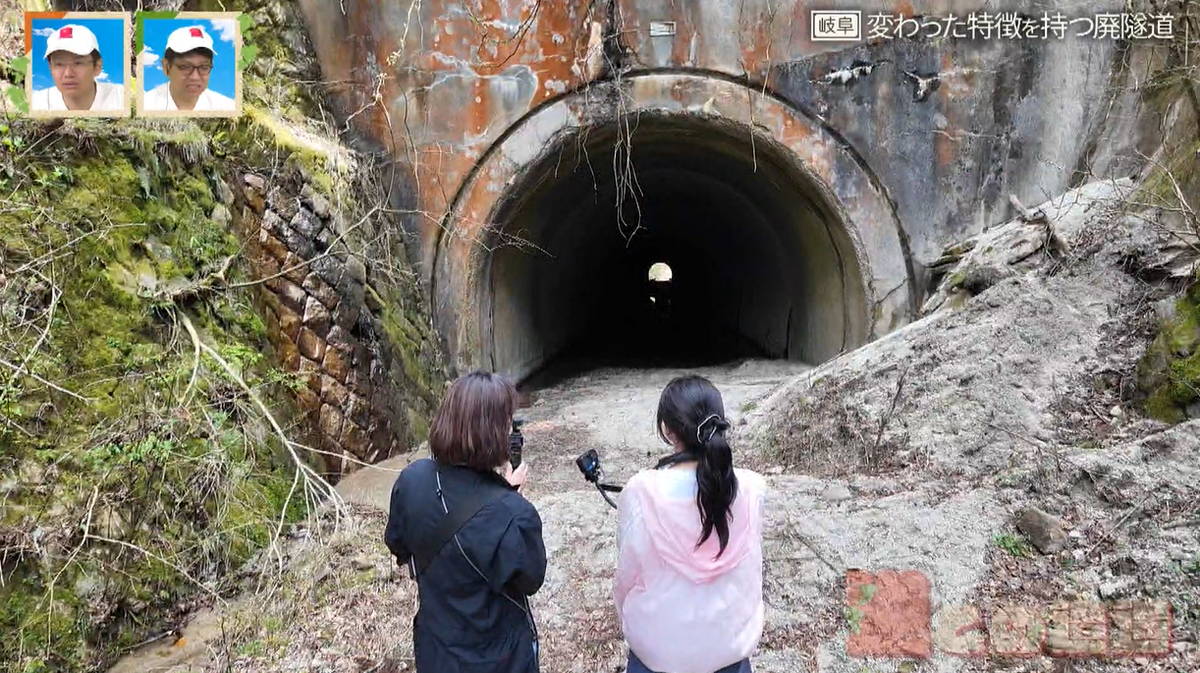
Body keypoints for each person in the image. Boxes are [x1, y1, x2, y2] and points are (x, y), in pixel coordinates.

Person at [384, 371, 545, 673]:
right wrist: (511, 498)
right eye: (508, 422)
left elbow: (399, 545)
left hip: (437, 650)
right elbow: (529, 578)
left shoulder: (411, 480)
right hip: (499, 658)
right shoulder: (513, 514)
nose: (512, 430)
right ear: (494, 433)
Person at [615, 375, 766, 673]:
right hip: (729, 649)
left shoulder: (641, 491)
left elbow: (626, 578)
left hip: (658, 653)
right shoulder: (752, 487)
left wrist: (627, 617)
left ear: (669, 431)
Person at [31, 24, 125, 113]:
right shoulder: (37, 103)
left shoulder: (121, 97)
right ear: (50, 67)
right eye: (59, 64)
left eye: (78, 63)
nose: (68, 74)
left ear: (97, 66)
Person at [142, 24, 236, 112]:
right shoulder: (147, 104)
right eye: (185, 67)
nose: (195, 77)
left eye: (204, 67)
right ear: (166, 67)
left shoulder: (227, 106)